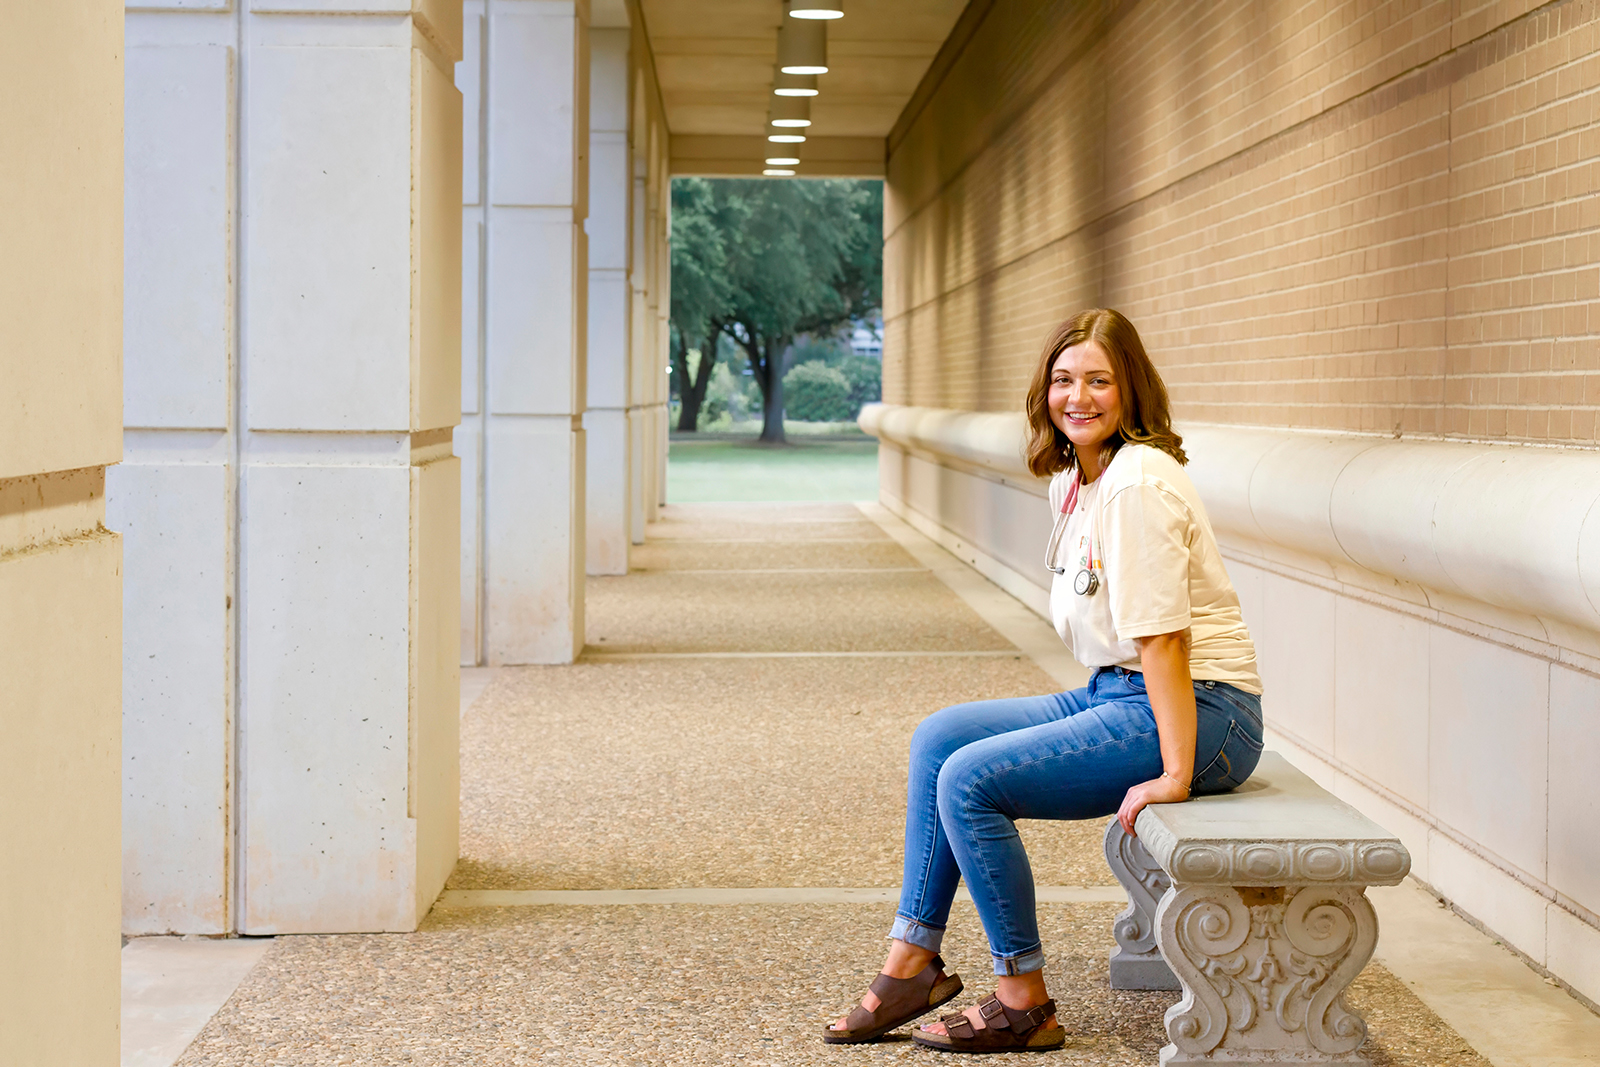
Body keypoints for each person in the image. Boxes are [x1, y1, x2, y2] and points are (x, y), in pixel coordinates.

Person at [824, 308, 1264, 1054]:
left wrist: (1177, 774)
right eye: (1064, 379)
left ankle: (1021, 997)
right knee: (941, 737)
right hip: (1117, 691)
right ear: (1045, 391)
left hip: (1201, 711)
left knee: (970, 779)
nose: (1079, 396)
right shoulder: (1080, 478)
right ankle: (913, 961)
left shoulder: (1137, 485)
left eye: (1100, 379)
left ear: (1132, 390)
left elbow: (1164, 639)